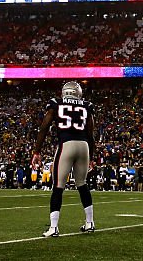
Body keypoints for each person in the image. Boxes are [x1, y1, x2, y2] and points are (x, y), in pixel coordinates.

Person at [32, 81, 96, 237]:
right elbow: (91, 133)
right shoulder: (86, 106)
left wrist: (37, 151)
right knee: (82, 184)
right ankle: (90, 222)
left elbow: (44, 126)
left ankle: (53, 227)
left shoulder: (56, 104)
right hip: (84, 146)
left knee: (58, 186)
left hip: (66, 144)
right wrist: (92, 157)